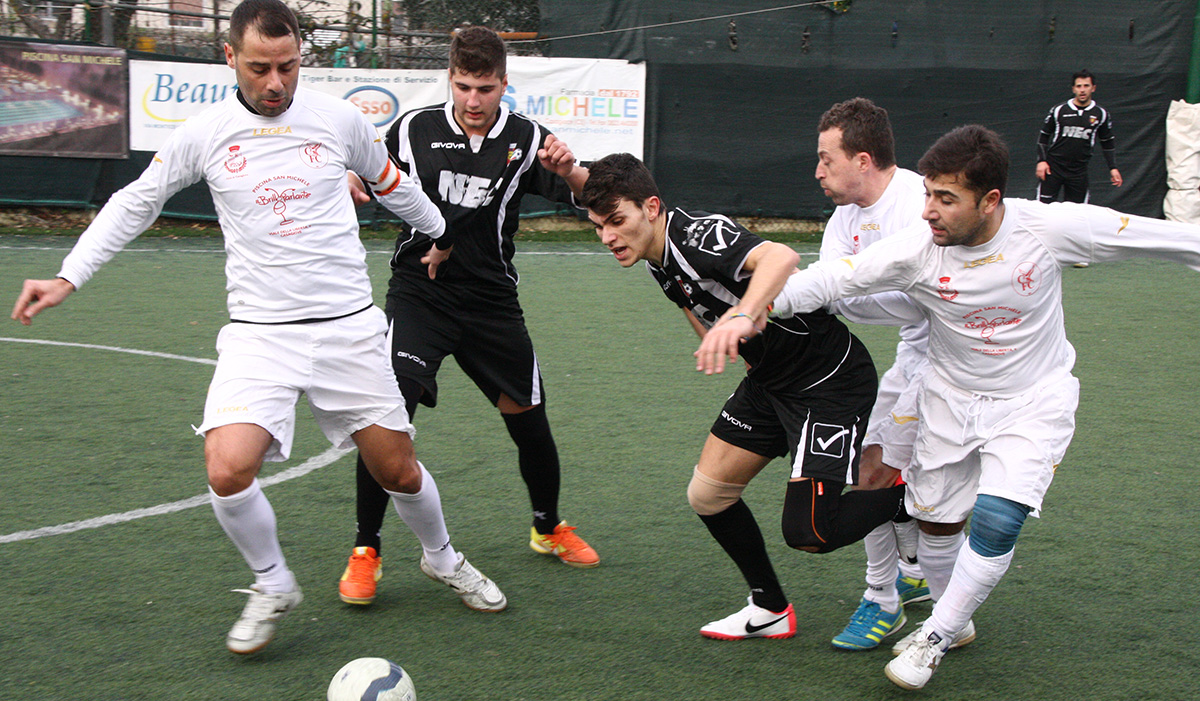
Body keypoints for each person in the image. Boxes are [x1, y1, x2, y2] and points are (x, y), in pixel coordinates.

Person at [10, 0, 507, 656]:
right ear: (229, 60)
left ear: (303, 57)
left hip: (349, 329)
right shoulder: (206, 132)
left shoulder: (339, 119)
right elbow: (137, 201)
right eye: (259, 68)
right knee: (226, 468)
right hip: (259, 334)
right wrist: (69, 275)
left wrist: (442, 231)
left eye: (289, 66)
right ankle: (272, 581)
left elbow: (391, 184)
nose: (276, 83)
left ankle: (441, 556)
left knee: (400, 471)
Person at [700, 125, 1200, 689]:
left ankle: (933, 637)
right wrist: (747, 309)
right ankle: (952, 618)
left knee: (998, 516)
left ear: (991, 201)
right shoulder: (918, 247)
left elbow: (1169, 238)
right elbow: (829, 282)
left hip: (1033, 400)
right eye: (927, 195)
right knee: (937, 526)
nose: (930, 211)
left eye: (946, 199)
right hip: (948, 398)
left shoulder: (1050, 228)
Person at [582, 153, 910, 642]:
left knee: (811, 533)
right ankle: (770, 607)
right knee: (708, 495)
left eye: (616, 222)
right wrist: (714, 336)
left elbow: (781, 257)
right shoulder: (654, 254)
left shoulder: (697, 236)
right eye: (598, 225)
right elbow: (693, 301)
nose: (607, 236)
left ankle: (917, 499)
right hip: (770, 382)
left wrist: (739, 318)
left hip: (828, 382)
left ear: (651, 207)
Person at [338, 25, 598, 607]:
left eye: (485, 88)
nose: (474, 100)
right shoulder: (412, 128)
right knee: (388, 420)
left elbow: (587, 195)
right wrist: (354, 181)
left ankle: (547, 526)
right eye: (463, 87)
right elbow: (367, 170)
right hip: (421, 293)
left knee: (529, 417)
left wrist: (571, 167)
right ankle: (366, 550)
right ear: (449, 80)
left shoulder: (528, 139)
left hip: (491, 302)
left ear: (504, 85)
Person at [814, 98, 935, 652]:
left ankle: (883, 598)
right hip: (918, 352)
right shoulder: (843, 218)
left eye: (825, 160)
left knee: (890, 475)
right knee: (874, 465)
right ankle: (903, 580)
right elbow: (833, 289)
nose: (818, 173)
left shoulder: (921, 204)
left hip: (966, 357)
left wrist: (853, 290)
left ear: (863, 160)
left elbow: (917, 301)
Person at [1036, 70, 1122, 205]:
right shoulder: (1059, 110)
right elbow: (1044, 136)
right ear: (1073, 89)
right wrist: (1041, 161)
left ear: (1093, 88)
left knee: (1077, 214)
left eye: (1086, 86)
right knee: (1043, 209)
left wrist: (1113, 168)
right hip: (1053, 169)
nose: (1082, 90)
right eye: (1079, 86)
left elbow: (1107, 142)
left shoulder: (1100, 114)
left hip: (1078, 171)